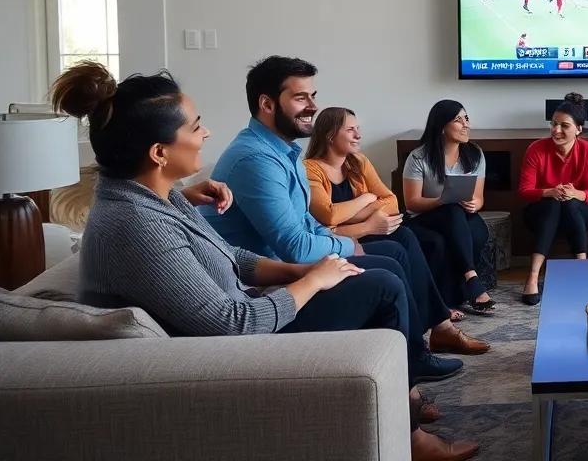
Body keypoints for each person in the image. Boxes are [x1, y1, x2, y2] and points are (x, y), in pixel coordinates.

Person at [54, 62, 479, 461]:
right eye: (196, 126)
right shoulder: (137, 225)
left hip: (248, 307)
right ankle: (411, 436)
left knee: (375, 269)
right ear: (159, 153)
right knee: (382, 286)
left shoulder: (155, 198)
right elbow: (232, 322)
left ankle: (403, 382)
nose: (207, 133)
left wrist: (303, 271)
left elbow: (233, 257)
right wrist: (310, 282)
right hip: (231, 348)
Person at [207, 56, 489, 357]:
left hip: (298, 255)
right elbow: (306, 237)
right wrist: (352, 236)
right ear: (267, 104)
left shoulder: (285, 153)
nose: (313, 107)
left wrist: (347, 236)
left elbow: (317, 220)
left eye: (313, 97)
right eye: (301, 98)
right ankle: (417, 358)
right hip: (273, 275)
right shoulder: (258, 160)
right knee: (388, 269)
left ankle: (435, 332)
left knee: (400, 244)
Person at [303, 107, 466, 324]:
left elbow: (392, 202)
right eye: (351, 130)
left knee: (406, 236)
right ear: (330, 135)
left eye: (357, 129)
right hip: (336, 239)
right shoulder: (310, 169)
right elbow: (329, 216)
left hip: (356, 231)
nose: (358, 135)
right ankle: (430, 317)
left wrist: (358, 213)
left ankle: (433, 318)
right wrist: (367, 202)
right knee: (401, 244)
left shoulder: (358, 162)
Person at [401, 100, 495, 316]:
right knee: (448, 219)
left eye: (467, 119)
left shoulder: (474, 153)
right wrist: (440, 201)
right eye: (458, 120)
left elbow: (479, 198)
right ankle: (471, 278)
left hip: (459, 215)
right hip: (424, 216)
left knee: (478, 229)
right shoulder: (418, 157)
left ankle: (456, 294)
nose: (466, 125)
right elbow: (411, 202)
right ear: (442, 126)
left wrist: (474, 204)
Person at [517, 92, 588, 305]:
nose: (556, 130)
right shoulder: (536, 149)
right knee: (554, 204)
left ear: (579, 129)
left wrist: (574, 193)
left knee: (570, 203)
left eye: (564, 126)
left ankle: (581, 272)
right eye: (554, 124)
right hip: (541, 212)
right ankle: (534, 276)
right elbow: (524, 191)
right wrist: (550, 191)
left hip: (578, 212)